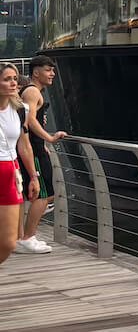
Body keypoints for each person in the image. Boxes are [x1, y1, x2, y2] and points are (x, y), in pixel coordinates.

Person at [17, 56, 66, 254]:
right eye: (48, 70)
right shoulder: (32, 91)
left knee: (36, 194)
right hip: (33, 150)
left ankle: (21, 236)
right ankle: (28, 237)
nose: (52, 74)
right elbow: (28, 121)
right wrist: (49, 138)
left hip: (35, 147)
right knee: (43, 194)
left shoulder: (33, 91)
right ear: (36, 72)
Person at [0, 62, 40, 265]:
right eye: (7, 79)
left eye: (15, 78)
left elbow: (24, 145)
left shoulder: (19, 110)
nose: (14, 83)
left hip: (10, 173)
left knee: (8, 243)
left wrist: (33, 176)